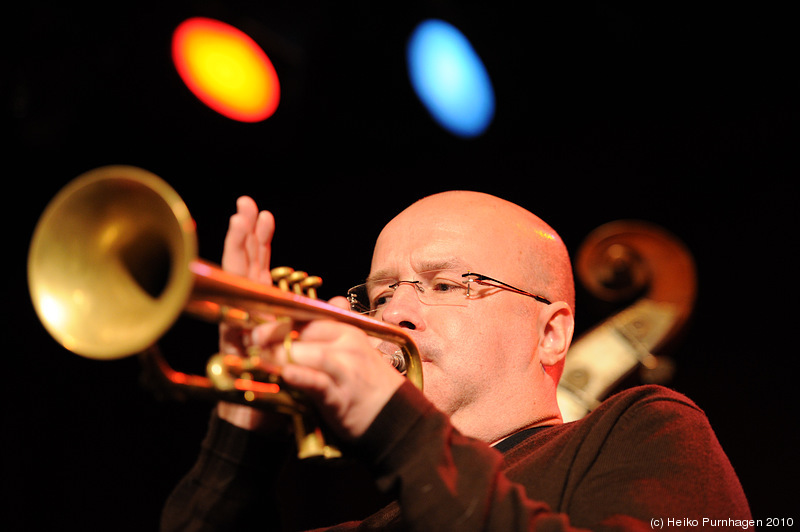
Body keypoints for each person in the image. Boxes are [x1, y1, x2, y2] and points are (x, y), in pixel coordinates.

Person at [162, 191, 752, 531]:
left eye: (447, 285)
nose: (397, 315)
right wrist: (241, 428)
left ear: (551, 333)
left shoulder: (643, 427)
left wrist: (396, 431)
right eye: (383, 293)